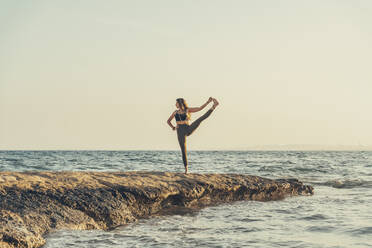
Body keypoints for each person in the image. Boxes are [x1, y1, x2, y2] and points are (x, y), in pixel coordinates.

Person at [167, 97, 219, 174]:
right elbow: (168, 121)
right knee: (183, 150)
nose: (175, 104)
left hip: (188, 128)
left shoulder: (187, 110)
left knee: (200, 119)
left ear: (180, 103)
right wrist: (173, 127)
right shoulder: (175, 112)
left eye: (176, 103)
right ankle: (186, 169)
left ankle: (214, 106)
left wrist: (207, 102)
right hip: (180, 131)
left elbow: (200, 108)